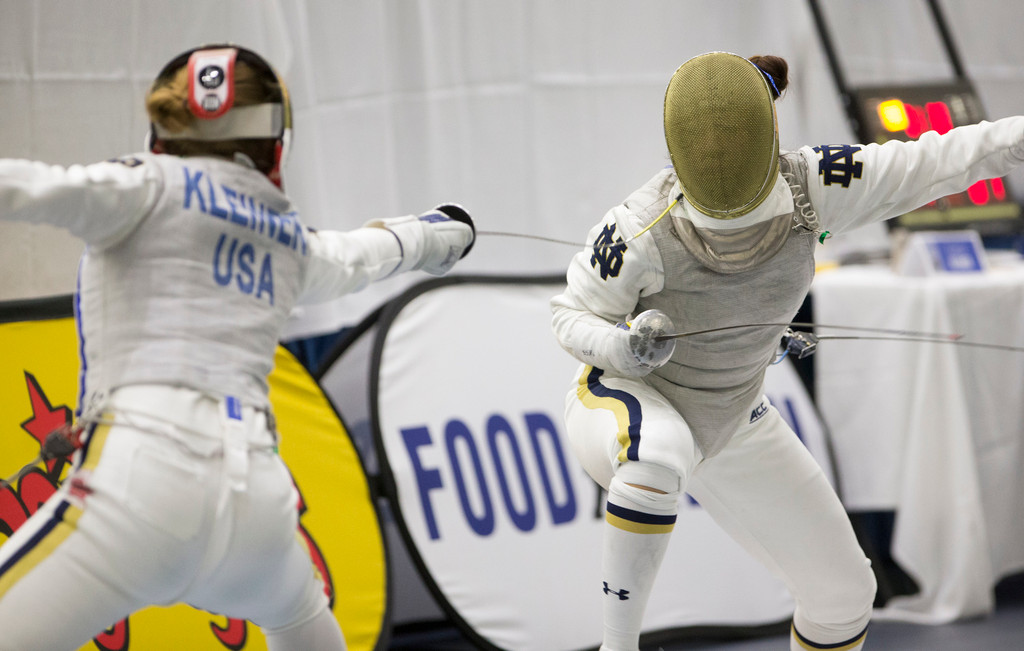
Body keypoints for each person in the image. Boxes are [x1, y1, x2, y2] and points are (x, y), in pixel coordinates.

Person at [0, 45, 474, 650]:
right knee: (302, 625)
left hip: (140, 481)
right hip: (258, 502)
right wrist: (439, 234)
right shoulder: (286, 237)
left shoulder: (141, 185)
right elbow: (366, 253)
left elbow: (25, 187)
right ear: (275, 140)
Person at [551, 51, 1024, 651]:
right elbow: (569, 314)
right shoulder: (637, 230)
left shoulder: (815, 185)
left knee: (844, 595)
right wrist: (622, 346)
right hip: (625, 401)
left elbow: (940, 159)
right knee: (656, 455)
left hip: (733, 419)